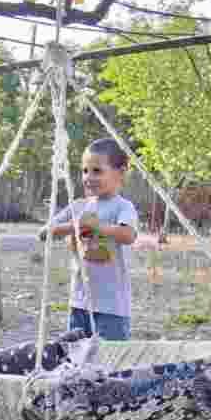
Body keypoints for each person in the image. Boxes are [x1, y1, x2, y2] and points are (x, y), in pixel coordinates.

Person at [38, 138, 139, 341]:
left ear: (119, 173)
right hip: (80, 303)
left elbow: (128, 235)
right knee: (76, 355)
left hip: (112, 306)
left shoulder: (122, 207)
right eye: (85, 171)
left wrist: (99, 227)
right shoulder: (79, 206)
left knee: (110, 359)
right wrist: (75, 226)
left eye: (97, 171)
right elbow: (44, 233)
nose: (88, 177)